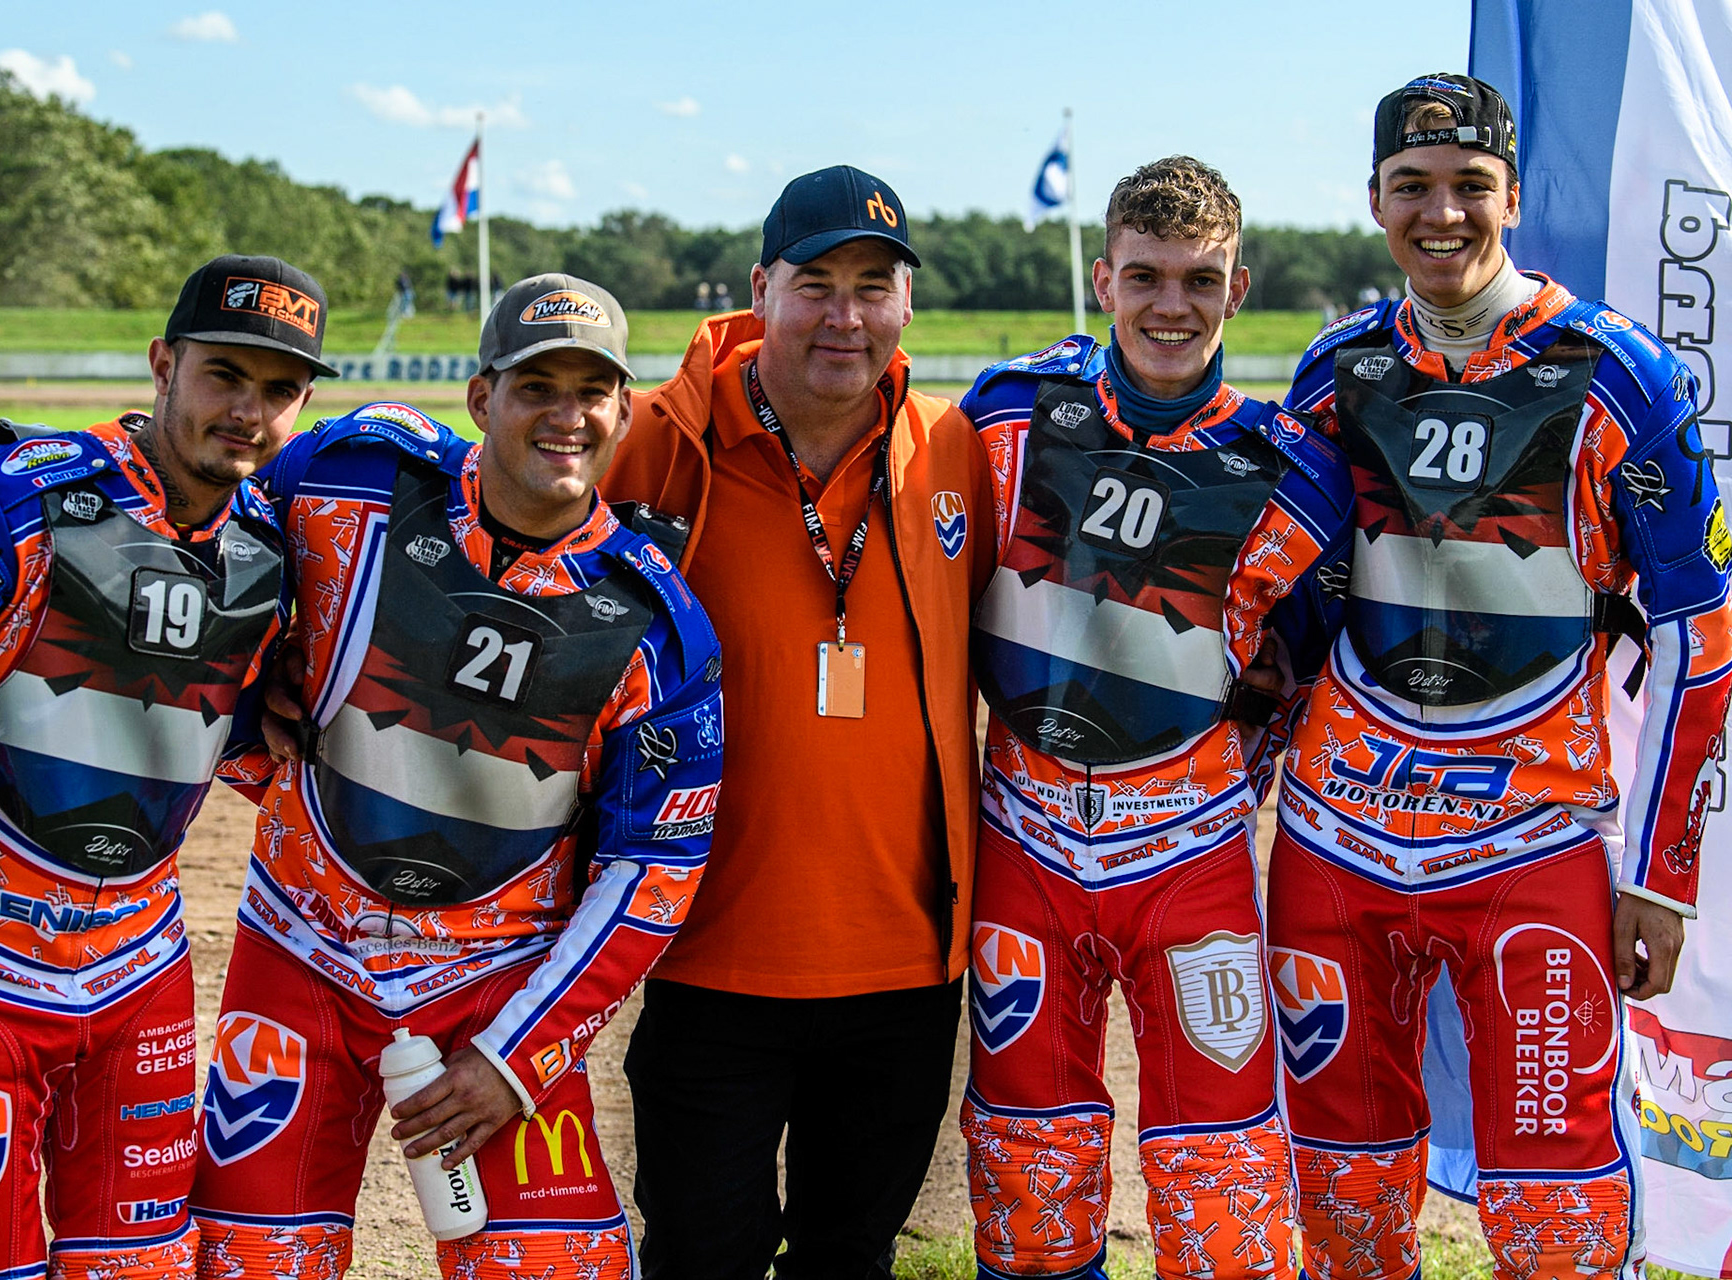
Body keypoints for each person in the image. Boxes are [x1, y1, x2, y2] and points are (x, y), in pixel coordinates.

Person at [1272, 73, 1732, 1280]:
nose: (1442, 214)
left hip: (1527, 845)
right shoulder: (1333, 369)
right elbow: (1267, 608)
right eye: (1412, 187)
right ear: (1374, 201)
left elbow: (1703, 629)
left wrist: (1664, 878)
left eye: (1469, 186)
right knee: (1341, 1199)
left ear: (1513, 195)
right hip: (1337, 843)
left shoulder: (1622, 374)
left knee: (1558, 1216)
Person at [187, 273, 722, 1279]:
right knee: (243, 1262)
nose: (566, 416)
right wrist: (253, 682)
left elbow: (653, 871)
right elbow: (195, 505)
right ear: (482, 398)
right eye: (536, 388)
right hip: (302, 945)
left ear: (625, 408)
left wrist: (513, 1060)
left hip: (495, 979)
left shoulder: (659, 625)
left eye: (591, 391)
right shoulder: (354, 472)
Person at [0, 253, 331, 1279]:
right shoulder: (19, 493)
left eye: (279, 389)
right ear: (162, 363)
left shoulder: (279, 545)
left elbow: (217, 726)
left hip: (142, 967)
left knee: (137, 1266)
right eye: (224, 374)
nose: (249, 409)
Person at [959, 156, 1353, 1280]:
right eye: (1145, 276)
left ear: (1238, 286)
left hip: (1194, 864)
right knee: (1027, 1176)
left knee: (1221, 1190)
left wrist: (1235, 771)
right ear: (1103, 278)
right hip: (1023, 845)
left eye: (1198, 278)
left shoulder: (1298, 471)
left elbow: (1316, 658)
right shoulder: (1007, 416)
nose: (1169, 305)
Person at [601, 165, 995, 1279]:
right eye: (815, 283)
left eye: (874, 285)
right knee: (700, 1254)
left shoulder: (952, 452)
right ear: (761, 288)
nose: (845, 315)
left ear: (906, 303)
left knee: (848, 1257)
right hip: (708, 957)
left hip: (905, 973)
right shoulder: (659, 448)